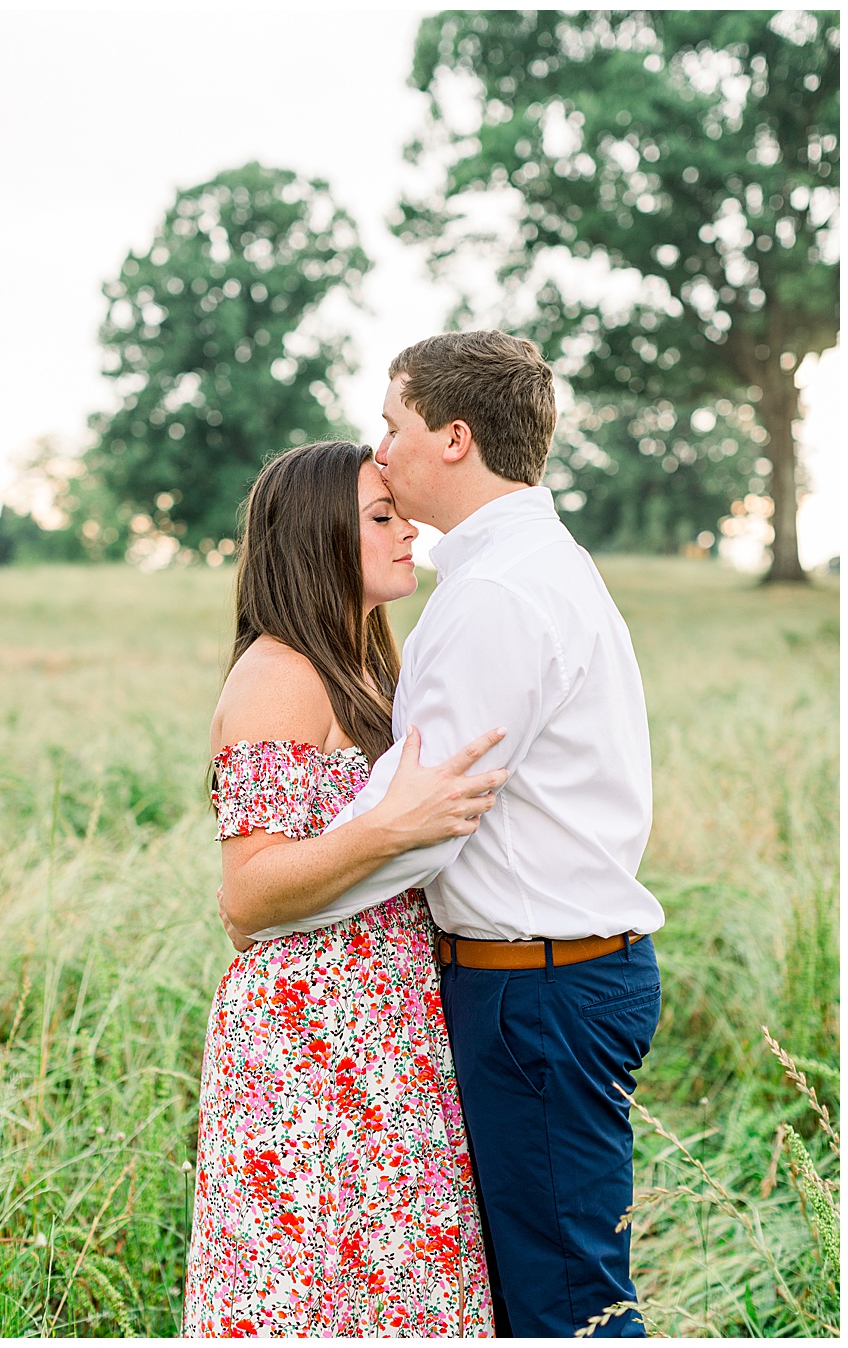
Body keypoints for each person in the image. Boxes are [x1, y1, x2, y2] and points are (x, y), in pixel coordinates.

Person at [309, 332, 663, 1337]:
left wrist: (280, 892)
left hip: (535, 990)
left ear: (454, 437)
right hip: (541, 979)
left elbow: (421, 817)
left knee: (564, 1309)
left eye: (393, 424)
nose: (378, 449)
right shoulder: (529, 567)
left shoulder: (498, 593)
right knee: (532, 1296)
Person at [183, 440, 508, 1337]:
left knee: (405, 1293)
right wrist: (390, 828)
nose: (407, 530)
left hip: (388, 1022)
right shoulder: (279, 679)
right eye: (379, 516)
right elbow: (246, 895)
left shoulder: (370, 663)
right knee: (309, 1296)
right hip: (307, 1038)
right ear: (315, 538)